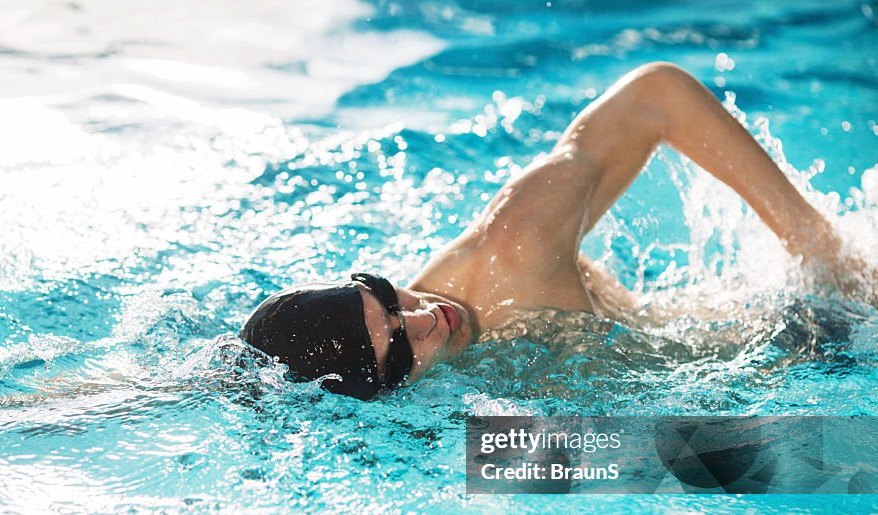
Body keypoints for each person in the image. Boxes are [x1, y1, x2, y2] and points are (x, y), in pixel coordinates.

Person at [241, 62, 871, 400]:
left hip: (819, 325)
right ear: (379, 393)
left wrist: (816, 246)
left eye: (389, 299)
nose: (429, 315)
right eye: (401, 350)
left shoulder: (517, 246)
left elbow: (657, 94)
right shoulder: (422, 407)